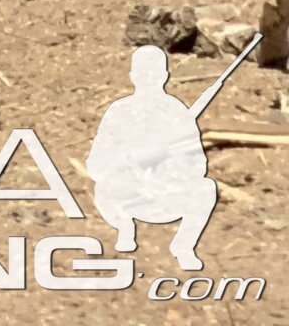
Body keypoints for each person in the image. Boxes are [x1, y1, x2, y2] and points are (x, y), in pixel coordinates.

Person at [84, 44, 222, 272]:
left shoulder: (176, 111)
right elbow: (96, 165)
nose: (148, 78)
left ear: (164, 76)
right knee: (104, 187)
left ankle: (183, 247)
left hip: (166, 193)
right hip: (129, 195)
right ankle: (124, 228)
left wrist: (168, 161)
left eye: (154, 72)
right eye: (142, 72)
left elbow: (198, 164)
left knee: (206, 188)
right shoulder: (119, 111)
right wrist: (129, 159)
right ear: (132, 76)